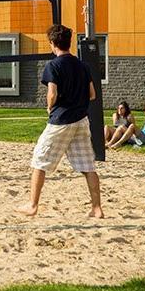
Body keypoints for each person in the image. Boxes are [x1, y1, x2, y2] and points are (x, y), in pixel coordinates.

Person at [16, 25, 103, 218]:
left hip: (61, 120)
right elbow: (92, 94)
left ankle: (32, 205)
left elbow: (52, 93)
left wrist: (50, 106)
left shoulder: (53, 65)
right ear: (69, 42)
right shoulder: (83, 66)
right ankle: (97, 209)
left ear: (52, 43)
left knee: (39, 160)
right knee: (88, 166)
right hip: (81, 120)